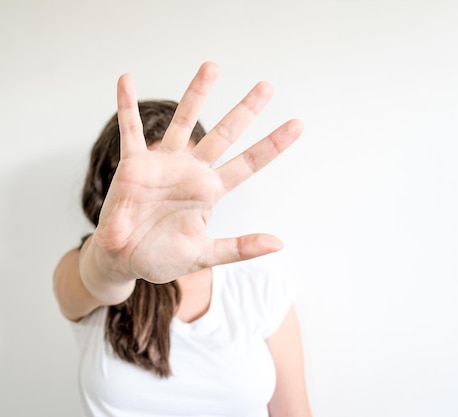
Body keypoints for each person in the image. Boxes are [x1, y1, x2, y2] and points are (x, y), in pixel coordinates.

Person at [53, 62, 312, 417]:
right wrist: (114, 260)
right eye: (148, 192)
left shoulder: (259, 288)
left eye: (177, 186)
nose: (162, 208)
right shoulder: (85, 270)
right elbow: (97, 279)